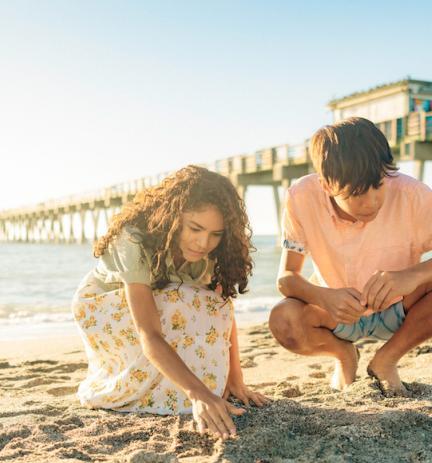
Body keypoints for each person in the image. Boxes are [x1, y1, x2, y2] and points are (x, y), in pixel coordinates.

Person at [72, 165, 269, 439]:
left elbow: (223, 313)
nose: (203, 243)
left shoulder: (210, 253)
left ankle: (171, 388)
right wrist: (197, 393)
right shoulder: (134, 238)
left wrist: (236, 380)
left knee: (205, 302)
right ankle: (131, 389)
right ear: (173, 217)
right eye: (195, 228)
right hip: (102, 308)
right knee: (177, 300)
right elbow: (148, 333)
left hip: (163, 303)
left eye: (216, 234)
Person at [269, 117, 432, 395]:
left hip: (400, 311)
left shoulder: (413, 194)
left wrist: (411, 276)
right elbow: (286, 279)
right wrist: (323, 296)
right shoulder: (302, 197)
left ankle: (386, 359)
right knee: (283, 319)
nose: (372, 201)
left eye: (379, 184)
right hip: (337, 316)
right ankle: (344, 355)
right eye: (357, 193)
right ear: (327, 185)